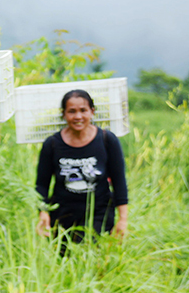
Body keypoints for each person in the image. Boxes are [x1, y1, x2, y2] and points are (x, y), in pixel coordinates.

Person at [35, 89, 128, 244]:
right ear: (64, 114)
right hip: (62, 215)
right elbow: (41, 185)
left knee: (89, 249)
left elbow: (119, 182)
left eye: (83, 110)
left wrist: (123, 220)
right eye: (72, 111)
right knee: (64, 260)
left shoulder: (107, 140)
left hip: (99, 212)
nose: (78, 116)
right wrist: (43, 213)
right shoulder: (52, 144)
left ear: (92, 112)